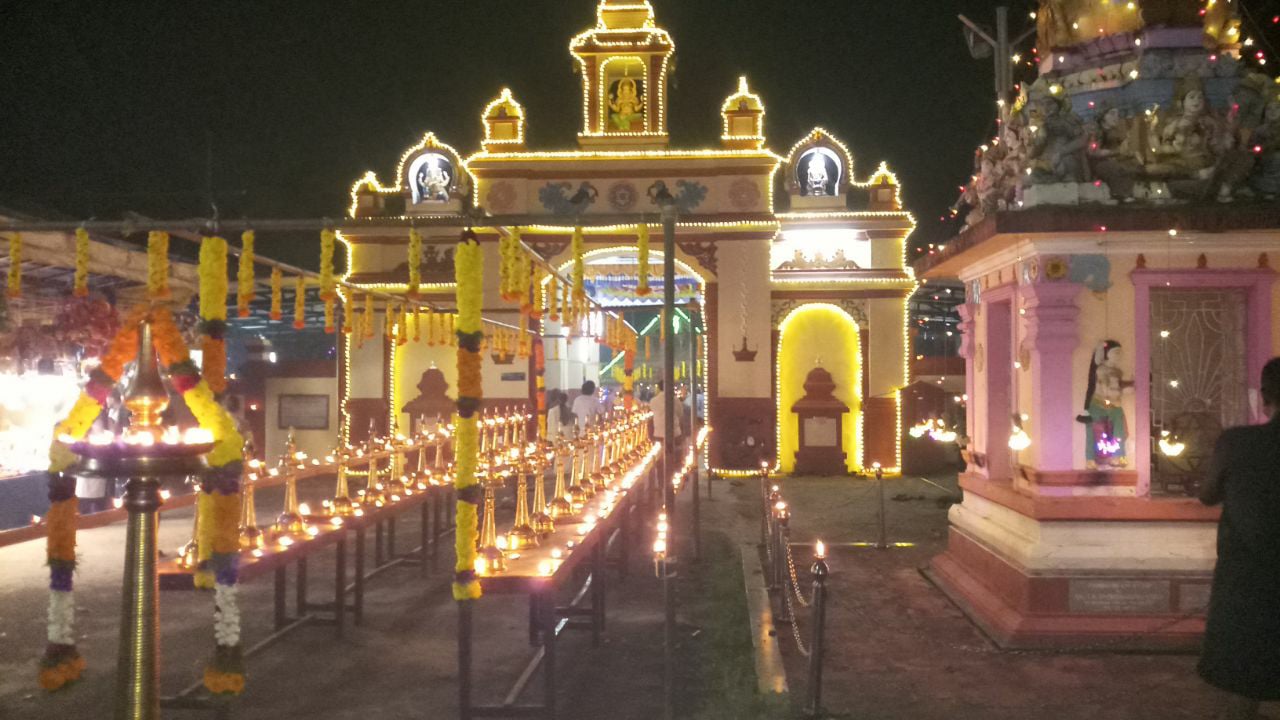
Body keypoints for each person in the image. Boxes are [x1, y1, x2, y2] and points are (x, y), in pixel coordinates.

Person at [1198, 356, 1280, 719]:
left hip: (1248, 582)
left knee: (1242, 683)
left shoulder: (1238, 443)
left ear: (1265, 397)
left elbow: (1208, 494)